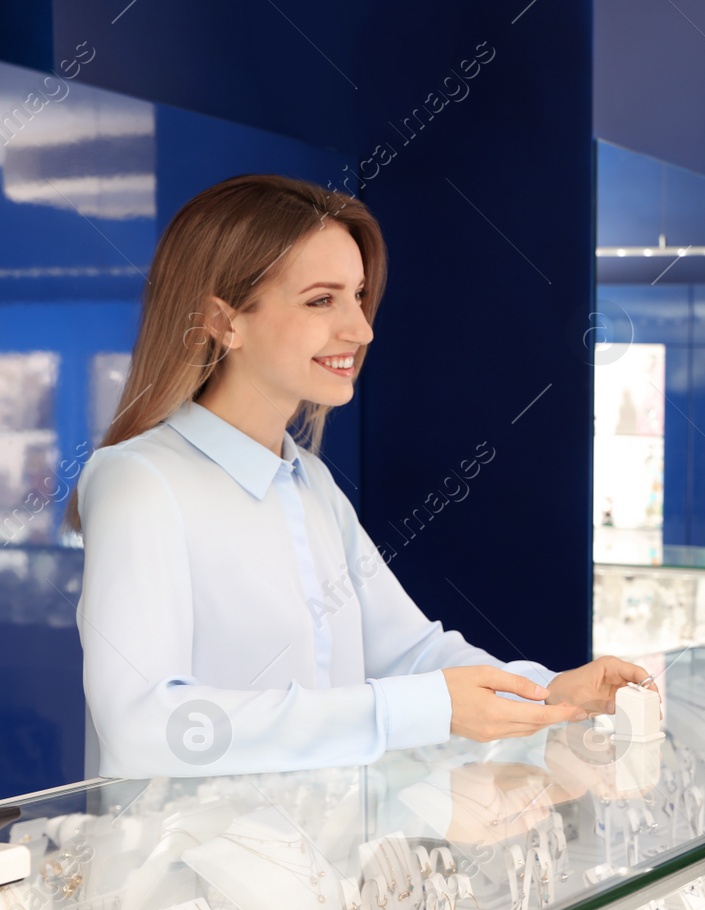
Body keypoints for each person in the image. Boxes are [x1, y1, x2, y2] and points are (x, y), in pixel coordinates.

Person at [66, 175, 647, 778]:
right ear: (223, 320)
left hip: (325, 863)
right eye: (322, 300)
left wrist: (552, 691)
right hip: (181, 871)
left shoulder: (310, 482)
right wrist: (405, 712)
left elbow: (408, 653)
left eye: (359, 296)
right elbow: (143, 727)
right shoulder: (139, 482)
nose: (361, 329)